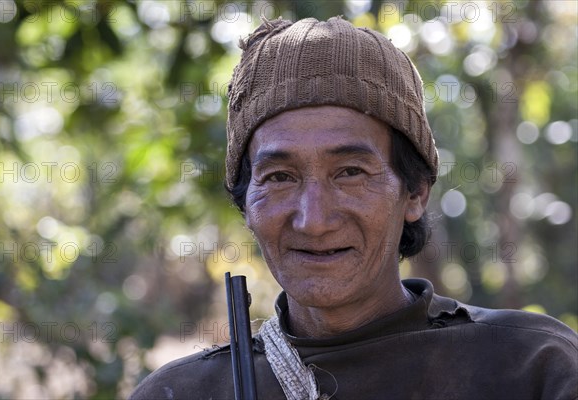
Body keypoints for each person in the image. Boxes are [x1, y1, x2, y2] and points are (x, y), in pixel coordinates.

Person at [130, 16, 577, 400]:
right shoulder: (181, 392)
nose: (315, 220)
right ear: (246, 204)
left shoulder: (531, 368)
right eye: (280, 178)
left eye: (350, 172)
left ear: (416, 192)